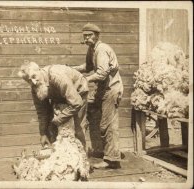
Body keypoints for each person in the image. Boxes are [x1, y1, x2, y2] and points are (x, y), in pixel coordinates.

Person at [73, 23, 124, 169]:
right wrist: (71, 69)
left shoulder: (101, 49)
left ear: (96, 35)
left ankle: (112, 161)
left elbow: (101, 74)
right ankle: (108, 154)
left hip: (111, 89)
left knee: (108, 124)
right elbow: (88, 67)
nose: (87, 38)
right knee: (101, 122)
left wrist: (84, 79)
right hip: (103, 90)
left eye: (89, 35)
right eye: (85, 36)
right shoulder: (92, 49)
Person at [18, 62, 89, 148]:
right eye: (29, 80)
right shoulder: (35, 87)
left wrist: (59, 119)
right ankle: (58, 155)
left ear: (39, 71)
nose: (33, 82)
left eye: (34, 76)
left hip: (78, 91)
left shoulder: (57, 76)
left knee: (78, 129)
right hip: (60, 95)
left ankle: (82, 157)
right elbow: (42, 112)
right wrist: (43, 134)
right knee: (51, 128)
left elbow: (76, 103)